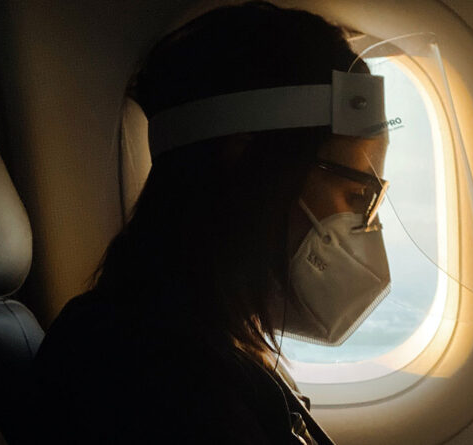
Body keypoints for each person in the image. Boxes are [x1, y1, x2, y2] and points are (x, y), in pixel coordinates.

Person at [32, 2, 391, 444]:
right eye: (356, 195)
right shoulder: (154, 380)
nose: (364, 227)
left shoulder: (206, 346)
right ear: (247, 164)